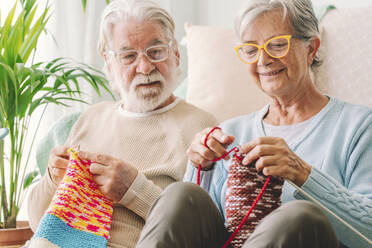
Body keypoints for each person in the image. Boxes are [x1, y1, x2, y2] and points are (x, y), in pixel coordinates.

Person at [136, 0, 372, 248]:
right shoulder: (231, 132)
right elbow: (198, 229)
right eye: (251, 50)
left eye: (278, 45)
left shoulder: (359, 127)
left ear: (311, 48)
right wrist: (198, 168)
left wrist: (303, 174)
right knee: (180, 195)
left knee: (299, 217)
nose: (263, 59)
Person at [27, 0, 216, 247]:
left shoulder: (202, 128)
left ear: (176, 54)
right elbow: (35, 222)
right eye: (128, 56)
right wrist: (53, 179)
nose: (145, 67)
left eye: (156, 51)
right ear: (108, 63)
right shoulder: (90, 119)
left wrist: (133, 189)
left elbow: (208, 232)